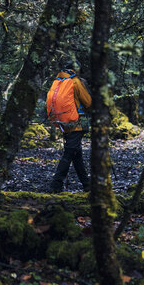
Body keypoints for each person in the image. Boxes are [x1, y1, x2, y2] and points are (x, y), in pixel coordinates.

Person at [49, 60, 92, 193]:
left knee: (76, 154)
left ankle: (87, 185)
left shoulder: (58, 81)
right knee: (69, 153)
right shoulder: (75, 81)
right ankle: (55, 185)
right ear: (76, 69)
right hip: (77, 123)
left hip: (64, 122)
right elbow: (88, 102)